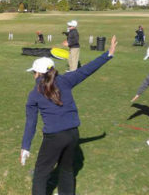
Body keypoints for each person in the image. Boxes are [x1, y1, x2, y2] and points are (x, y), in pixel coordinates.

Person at [21, 36, 117, 195]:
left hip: (54, 137)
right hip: (73, 134)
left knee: (40, 173)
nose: (33, 76)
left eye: (34, 73)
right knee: (66, 169)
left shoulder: (34, 94)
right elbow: (86, 70)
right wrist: (108, 54)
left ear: (38, 73)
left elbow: (31, 123)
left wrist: (25, 147)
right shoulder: (65, 80)